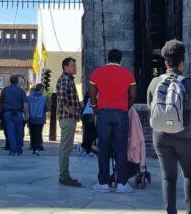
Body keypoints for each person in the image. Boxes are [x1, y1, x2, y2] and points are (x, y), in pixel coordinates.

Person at [147, 39, 191, 214]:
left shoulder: (155, 82)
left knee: (168, 177)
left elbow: (151, 109)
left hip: (161, 137)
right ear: (182, 63)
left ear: (166, 63)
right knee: (190, 174)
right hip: (187, 136)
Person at [89, 49, 137, 195]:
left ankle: (103, 183)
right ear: (120, 59)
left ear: (107, 59)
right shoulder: (128, 73)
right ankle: (121, 183)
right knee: (121, 149)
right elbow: (133, 95)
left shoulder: (97, 72)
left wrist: (95, 108)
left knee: (103, 148)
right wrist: (125, 107)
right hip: (121, 114)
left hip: (103, 113)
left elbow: (91, 93)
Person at [56, 57, 82, 186]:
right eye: (73, 66)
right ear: (65, 67)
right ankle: (63, 176)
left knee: (67, 147)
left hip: (69, 117)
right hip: (67, 117)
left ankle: (65, 175)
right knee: (65, 147)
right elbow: (61, 93)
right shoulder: (65, 79)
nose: (75, 68)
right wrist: (67, 107)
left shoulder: (68, 79)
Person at [0, 75, 29, 156]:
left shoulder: (4, 90)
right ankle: (19, 149)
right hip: (18, 113)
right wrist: (26, 114)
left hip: (8, 113)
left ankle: (12, 150)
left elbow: (0, 103)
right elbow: (25, 103)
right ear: (17, 81)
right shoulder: (21, 91)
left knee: (10, 131)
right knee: (19, 131)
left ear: (10, 81)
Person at [27, 83, 47, 155]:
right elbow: (46, 109)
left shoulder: (29, 97)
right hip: (40, 118)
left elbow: (27, 107)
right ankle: (37, 148)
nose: (44, 91)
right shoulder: (44, 98)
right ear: (41, 89)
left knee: (32, 133)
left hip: (31, 118)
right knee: (38, 133)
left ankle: (33, 148)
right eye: (43, 89)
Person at [80, 90, 97, 157]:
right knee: (92, 134)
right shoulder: (94, 96)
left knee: (89, 134)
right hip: (89, 116)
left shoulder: (90, 96)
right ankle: (86, 149)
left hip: (87, 116)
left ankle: (84, 148)